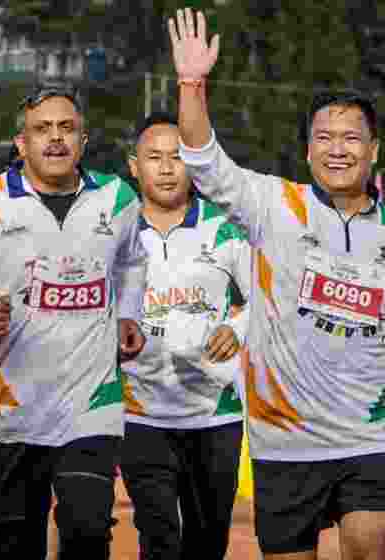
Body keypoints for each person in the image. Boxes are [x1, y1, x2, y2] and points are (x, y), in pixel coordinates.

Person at [167, 9, 385, 560]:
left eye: (351, 139)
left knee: (369, 544)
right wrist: (192, 83)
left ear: (373, 151)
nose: (337, 149)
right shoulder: (273, 205)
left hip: (369, 439)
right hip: (284, 442)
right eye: (324, 138)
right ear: (308, 149)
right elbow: (203, 159)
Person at [0, 85, 147, 560]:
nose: (55, 139)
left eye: (66, 128)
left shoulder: (117, 199)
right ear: (20, 142)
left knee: (87, 529)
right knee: (17, 543)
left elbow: (132, 262)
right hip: (12, 411)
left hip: (92, 404)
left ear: (84, 140)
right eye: (42, 129)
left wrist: (129, 313)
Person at [118, 112, 252, 560]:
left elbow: (269, 297)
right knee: (159, 540)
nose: (167, 167)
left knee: (206, 542)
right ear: (134, 166)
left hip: (214, 418)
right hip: (140, 414)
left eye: (177, 156)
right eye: (154, 157)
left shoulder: (226, 227)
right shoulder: (112, 232)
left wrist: (236, 328)